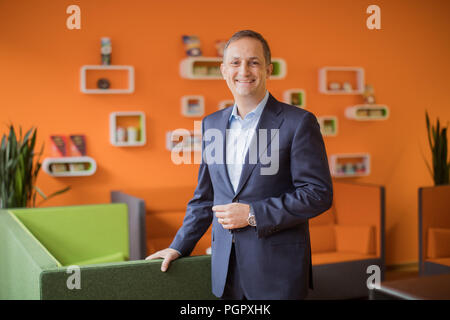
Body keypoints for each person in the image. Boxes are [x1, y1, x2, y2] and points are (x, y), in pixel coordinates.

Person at [146, 30, 333, 300]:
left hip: (277, 272)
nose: (243, 70)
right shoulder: (212, 124)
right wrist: (178, 246)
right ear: (223, 70)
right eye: (235, 62)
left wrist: (252, 213)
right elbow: (204, 198)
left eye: (253, 62)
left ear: (268, 69)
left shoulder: (298, 122)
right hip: (225, 271)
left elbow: (318, 194)